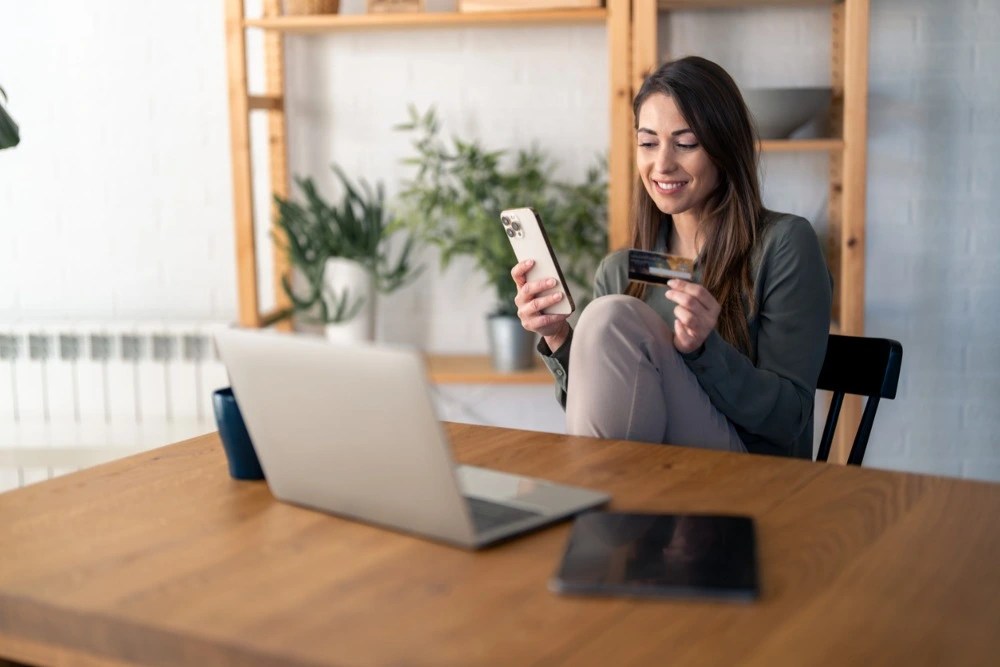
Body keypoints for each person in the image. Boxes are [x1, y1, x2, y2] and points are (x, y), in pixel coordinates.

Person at [510, 56, 832, 459]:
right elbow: (602, 415)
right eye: (648, 143)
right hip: (651, 472)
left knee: (611, 314)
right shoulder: (625, 268)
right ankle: (601, 512)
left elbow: (788, 419)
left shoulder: (784, 245)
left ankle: (592, 512)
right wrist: (557, 336)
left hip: (751, 474)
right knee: (607, 315)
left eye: (686, 143)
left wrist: (703, 349)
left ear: (724, 147)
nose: (661, 164)